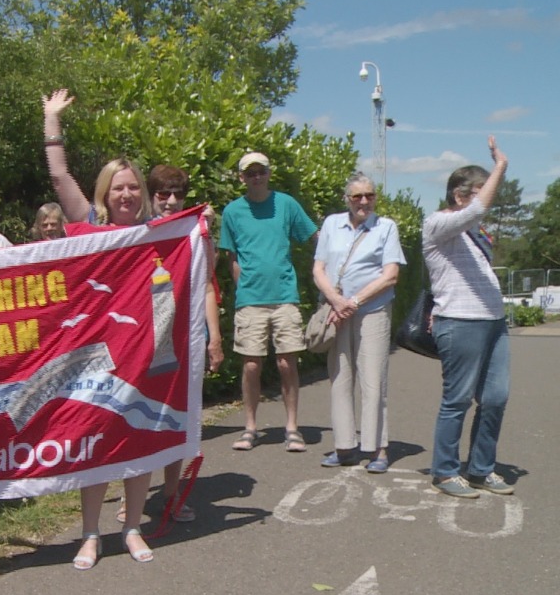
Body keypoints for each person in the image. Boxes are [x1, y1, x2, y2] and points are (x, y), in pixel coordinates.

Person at [42, 91, 156, 566]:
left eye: (133, 187)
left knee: (140, 439)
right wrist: (51, 120)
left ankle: (131, 527)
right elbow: (58, 174)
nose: (126, 195)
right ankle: (90, 533)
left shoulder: (161, 232)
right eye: (118, 187)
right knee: (94, 440)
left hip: (144, 349)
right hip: (94, 354)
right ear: (104, 193)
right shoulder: (87, 225)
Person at [125, 164, 224, 524]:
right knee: (139, 420)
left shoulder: (196, 233)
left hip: (185, 339)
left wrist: (214, 338)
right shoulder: (136, 232)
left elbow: (208, 286)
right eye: (163, 194)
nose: (170, 202)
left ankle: (171, 495)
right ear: (151, 197)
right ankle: (131, 497)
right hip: (142, 342)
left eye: (178, 195)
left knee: (177, 419)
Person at [423, 138, 513, 499]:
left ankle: (480, 468)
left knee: (495, 398)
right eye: (479, 192)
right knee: (457, 400)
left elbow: (476, 218)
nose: (486, 201)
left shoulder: (474, 233)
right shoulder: (437, 224)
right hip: (460, 321)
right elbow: (476, 211)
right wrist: (501, 168)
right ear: (460, 196)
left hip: (494, 321)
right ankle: (445, 471)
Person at [219, 152, 317, 453]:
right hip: (250, 300)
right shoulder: (233, 212)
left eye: (261, 172)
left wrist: (323, 274)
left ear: (269, 174)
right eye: (250, 173)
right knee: (250, 365)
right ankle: (250, 427)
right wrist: (244, 290)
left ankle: (291, 427)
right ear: (242, 178)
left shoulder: (286, 204)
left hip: (285, 297)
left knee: (287, 362)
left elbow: (314, 239)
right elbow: (231, 257)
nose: (256, 177)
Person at [312, 174, 404, 474]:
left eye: (369, 195)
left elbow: (390, 275)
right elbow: (319, 269)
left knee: (373, 381)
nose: (364, 201)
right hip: (337, 311)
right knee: (340, 378)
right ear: (346, 199)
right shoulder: (331, 224)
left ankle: (378, 449)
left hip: (372, 311)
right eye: (357, 196)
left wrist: (353, 302)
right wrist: (336, 302)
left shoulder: (386, 227)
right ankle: (344, 447)